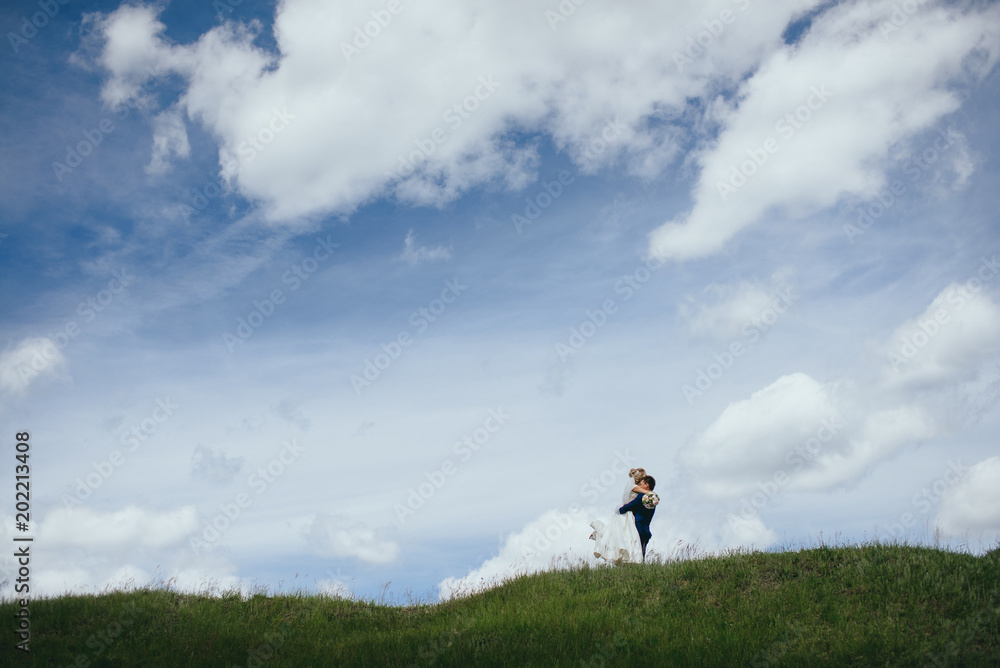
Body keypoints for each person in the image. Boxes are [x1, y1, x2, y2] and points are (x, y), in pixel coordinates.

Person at [589, 468, 647, 563]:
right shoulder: (634, 487)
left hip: (627, 513)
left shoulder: (631, 486)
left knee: (627, 536)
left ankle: (630, 558)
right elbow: (648, 492)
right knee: (629, 535)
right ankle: (633, 558)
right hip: (627, 515)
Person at [618, 475, 656, 562]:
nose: (639, 486)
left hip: (638, 527)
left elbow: (631, 506)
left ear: (646, 485)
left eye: (641, 484)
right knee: (641, 554)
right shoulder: (653, 501)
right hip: (646, 530)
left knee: (634, 553)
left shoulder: (642, 496)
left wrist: (619, 510)